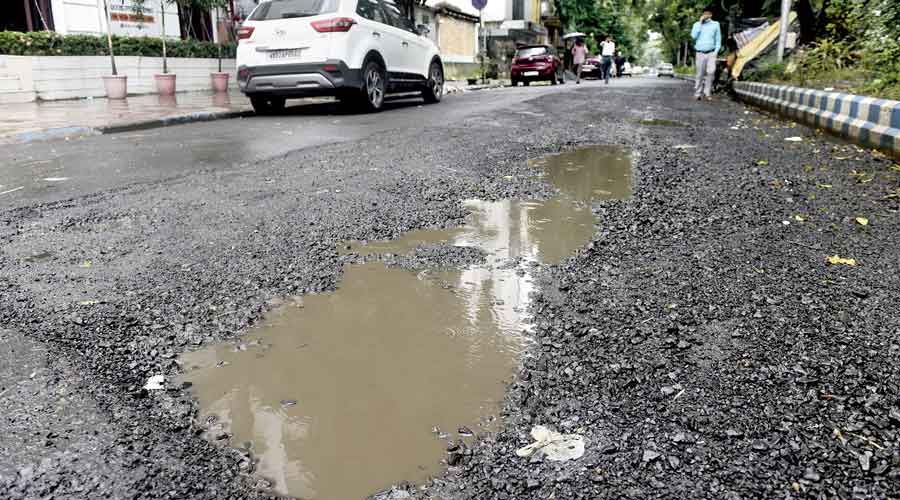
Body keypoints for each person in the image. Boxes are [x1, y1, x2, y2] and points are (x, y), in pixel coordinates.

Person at [691, 6, 721, 100]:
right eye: (704, 13)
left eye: (708, 13)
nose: (706, 15)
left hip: (711, 53)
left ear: (711, 15)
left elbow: (718, 40)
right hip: (700, 53)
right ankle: (698, 93)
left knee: (711, 72)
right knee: (699, 73)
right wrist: (700, 23)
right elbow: (693, 36)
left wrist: (716, 51)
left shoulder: (716, 24)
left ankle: (707, 92)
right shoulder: (696, 24)